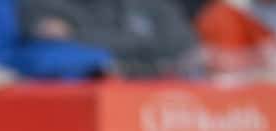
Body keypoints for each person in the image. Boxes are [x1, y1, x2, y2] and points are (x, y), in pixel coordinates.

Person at [17, 0, 200, 78]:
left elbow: (183, 46)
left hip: (160, 105)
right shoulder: (41, 5)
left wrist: (78, 35)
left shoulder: (154, 6)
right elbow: (56, 48)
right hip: (75, 116)